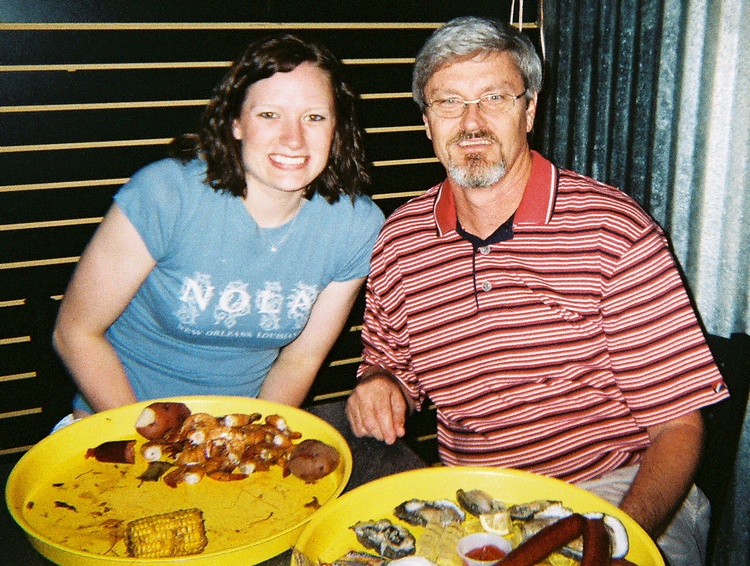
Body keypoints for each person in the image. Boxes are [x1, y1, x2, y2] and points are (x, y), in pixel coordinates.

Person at [345, 16, 728, 566]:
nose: (471, 122)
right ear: (427, 123)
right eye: (449, 102)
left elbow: (678, 423)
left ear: (529, 110)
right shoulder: (401, 240)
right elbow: (391, 368)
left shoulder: (612, 230)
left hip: (616, 489)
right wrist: (380, 384)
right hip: (475, 500)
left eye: (495, 97)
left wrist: (616, 539)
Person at [52, 34, 384, 419]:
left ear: (337, 128)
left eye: (314, 117)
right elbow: (75, 333)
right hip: (117, 426)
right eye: (269, 115)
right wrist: (150, 440)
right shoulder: (166, 195)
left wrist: (245, 441)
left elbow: (300, 359)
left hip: (233, 437)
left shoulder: (354, 226)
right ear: (236, 123)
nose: (294, 139)